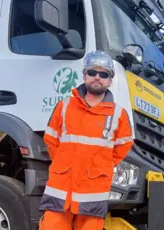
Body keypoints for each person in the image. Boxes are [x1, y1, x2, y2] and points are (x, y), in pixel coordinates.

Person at [38, 50, 134, 229]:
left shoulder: (119, 114)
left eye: (103, 74)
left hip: (93, 190)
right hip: (61, 188)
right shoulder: (64, 106)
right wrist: (64, 162)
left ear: (110, 80)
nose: (97, 77)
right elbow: (51, 140)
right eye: (92, 72)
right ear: (84, 75)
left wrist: (102, 165)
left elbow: (123, 145)